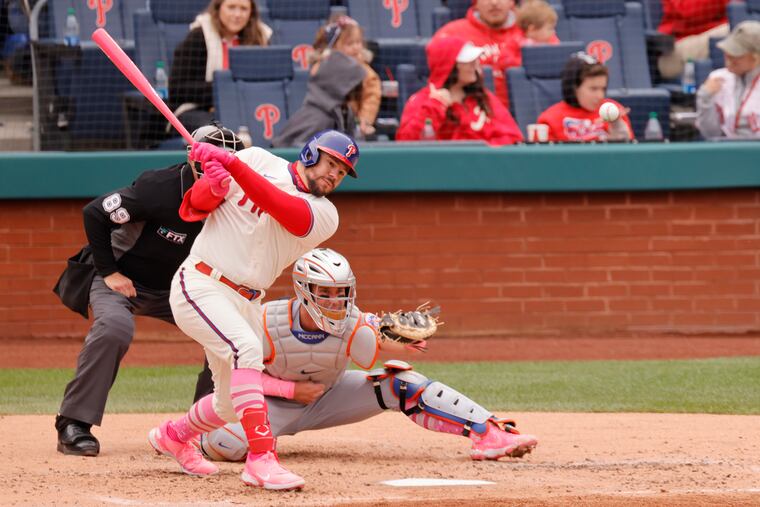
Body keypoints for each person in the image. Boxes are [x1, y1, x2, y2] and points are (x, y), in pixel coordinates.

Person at [148, 130, 360, 492]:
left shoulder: (325, 214)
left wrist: (231, 165)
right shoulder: (258, 160)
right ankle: (261, 460)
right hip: (202, 281)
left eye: (341, 172)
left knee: (229, 404)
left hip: (247, 300)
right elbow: (192, 208)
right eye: (331, 163)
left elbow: (285, 211)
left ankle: (172, 436)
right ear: (310, 154)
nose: (334, 175)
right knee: (247, 350)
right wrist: (213, 185)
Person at [191, 248, 538, 466]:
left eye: (340, 293)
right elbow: (237, 375)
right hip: (272, 405)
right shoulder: (267, 319)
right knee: (226, 444)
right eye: (324, 293)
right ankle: (190, 435)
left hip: (329, 397)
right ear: (303, 290)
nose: (333, 301)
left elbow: (377, 338)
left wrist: (406, 344)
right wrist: (289, 391)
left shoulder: (354, 320)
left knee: (402, 382)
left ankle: (491, 434)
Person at [53, 124, 244, 457]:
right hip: (124, 279)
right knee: (115, 327)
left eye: (227, 157)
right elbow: (95, 213)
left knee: (231, 336)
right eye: (212, 153)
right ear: (193, 156)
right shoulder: (159, 187)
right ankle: (73, 423)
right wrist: (109, 272)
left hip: (181, 288)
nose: (219, 162)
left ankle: (205, 427)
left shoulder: (236, 201)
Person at [272, 15, 380, 147]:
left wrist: (365, 120)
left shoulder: (362, 71)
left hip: (350, 121)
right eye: (349, 43)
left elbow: (371, 95)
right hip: (323, 119)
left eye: (358, 42)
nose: (356, 47)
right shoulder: (324, 67)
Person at [396, 35, 523, 146]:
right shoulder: (422, 101)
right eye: (469, 61)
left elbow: (513, 137)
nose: (475, 65)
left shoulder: (483, 97)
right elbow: (407, 144)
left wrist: (483, 150)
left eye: (475, 60)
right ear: (449, 66)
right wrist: (435, 106)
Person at [169, 0, 272, 133]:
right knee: (216, 132)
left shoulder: (261, 37)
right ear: (218, 8)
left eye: (243, 9)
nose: (237, 14)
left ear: (251, 13)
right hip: (200, 109)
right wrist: (223, 90)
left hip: (247, 110)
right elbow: (176, 89)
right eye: (231, 7)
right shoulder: (198, 36)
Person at [433, 0, 557, 108]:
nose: (494, 2)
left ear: (512, 1)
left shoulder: (532, 29)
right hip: (475, 112)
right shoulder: (452, 33)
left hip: (529, 108)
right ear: (475, 2)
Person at [536, 53, 634, 142]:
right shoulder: (549, 119)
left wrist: (617, 127)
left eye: (603, 89)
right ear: (574, 88)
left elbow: (629, 153)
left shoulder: (613, 111)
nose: (600, 96)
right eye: (593, 89)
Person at [696, 21, 760, 139]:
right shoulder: (718, 79)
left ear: (756, 57)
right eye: (728, 52)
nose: (729, 58)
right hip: (728, 151)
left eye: (737, 55)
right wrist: (705, 97)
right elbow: (711, 134)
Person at [657, 0, 730, 80]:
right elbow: (688, 11)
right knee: (735, 30)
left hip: (708, 39)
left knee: (740, 29)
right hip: (673, 53)